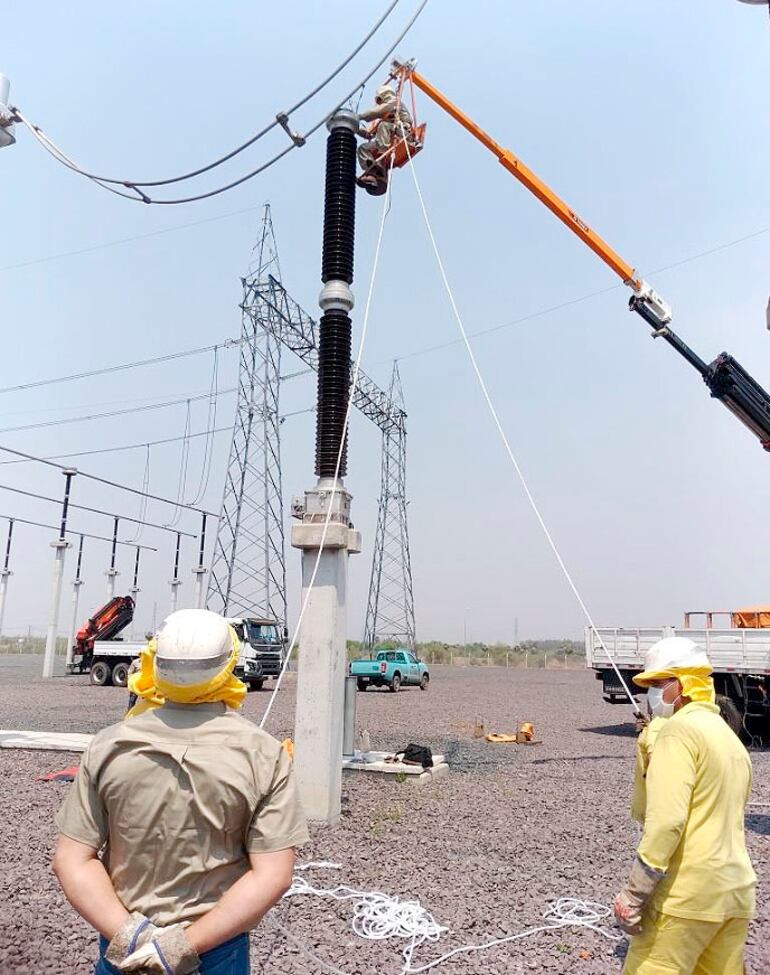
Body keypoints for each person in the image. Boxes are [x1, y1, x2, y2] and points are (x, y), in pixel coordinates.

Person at [52, 608, 309, 975]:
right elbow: (273, 875)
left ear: (155, 664)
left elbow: (71, 860)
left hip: (123, 950)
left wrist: (132, 935)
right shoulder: (265, 755)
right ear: (229, 666)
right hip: (214, 951)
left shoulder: (107, 746)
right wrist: (181, 946)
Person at [614, 637, 756, 974]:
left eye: (658, 683)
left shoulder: (678, 733)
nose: (652, 693)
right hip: (733, 896)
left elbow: (667, 823)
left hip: (686, 900)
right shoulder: (728, 739)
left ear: (681, 684)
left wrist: (634, 894)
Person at [356, 83, 413, 195]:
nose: (379, 103)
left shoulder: (394, 102)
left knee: (384, 126)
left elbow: (377, 111)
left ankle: (382, 158)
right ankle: (373, 170)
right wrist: (355, 128)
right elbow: (369, 135)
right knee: (362, 148)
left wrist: (359, 116)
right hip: (390, 137)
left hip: (404, 132)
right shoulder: (385, 119)